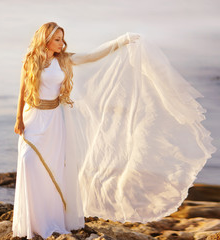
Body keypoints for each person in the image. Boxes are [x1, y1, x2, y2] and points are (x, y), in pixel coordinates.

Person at [12, 22, 216, 239]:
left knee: (52, 170)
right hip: (32, 117)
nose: (62, 43)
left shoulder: (63, 59)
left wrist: (121, 41)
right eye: (57, 39)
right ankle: (31, 221)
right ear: (46, 39)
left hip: (54, 121)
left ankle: (48, 220)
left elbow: (92, 56)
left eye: (62, 39)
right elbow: (23, 90)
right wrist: (18, 119)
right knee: (28, 162)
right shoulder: (31, 59)